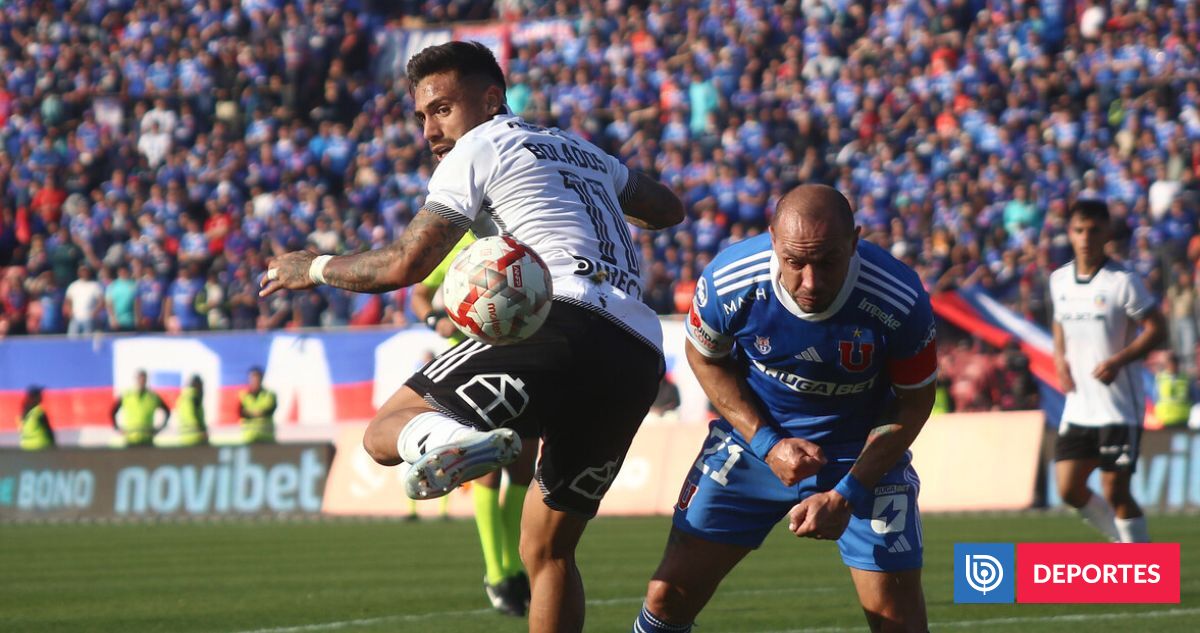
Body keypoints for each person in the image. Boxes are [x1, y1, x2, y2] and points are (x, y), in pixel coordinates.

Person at [259, 41, 683, 633]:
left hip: (558, 318)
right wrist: (599, 187)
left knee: (385, 432)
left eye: (442, 109)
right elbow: (667, 208)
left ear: (490, 100)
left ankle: (455, 441)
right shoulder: (582, 150)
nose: (431, 130)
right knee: (548, 549)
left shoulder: (478, 148)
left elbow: (404, 265)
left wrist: (315, 267)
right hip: (635, 351)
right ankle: (464, 442)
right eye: (422, 115)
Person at [634, 185, 938, 633]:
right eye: (795, 262)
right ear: (773, 239)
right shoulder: (729, 279)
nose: (810, 281)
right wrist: (768, 443)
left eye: (828, 261)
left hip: (861, 456)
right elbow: (704, 357)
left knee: (898, 622)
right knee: (667, 597)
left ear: (854, 241)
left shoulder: (899, 298)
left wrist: (848, 493)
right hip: (752, 446)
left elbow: (914, 401)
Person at [411, 231, 539, 616]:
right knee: (488, 470)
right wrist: (436, 319)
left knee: (523, 467)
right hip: (474, 369)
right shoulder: (454, 239)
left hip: (523, 359)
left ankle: (515, 564)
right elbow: (419, 294)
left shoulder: (519, 230)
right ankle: (496, 573)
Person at [1051, 198, 1166, 544]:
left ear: (1107, 234)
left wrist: (1118, 361)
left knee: (1115, 489)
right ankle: (1124, 543)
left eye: (1093, 230)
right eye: (1079, 230)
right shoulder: (1059, 280)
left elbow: (1158, 328)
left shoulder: (1122, 281)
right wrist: (1059, 359)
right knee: (1069, 489)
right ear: (1070, 233)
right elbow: (1059, 321)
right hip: (1078, 405)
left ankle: (1138, 560)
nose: (1086, 237)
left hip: (1118, 407)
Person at [111, 369, 170, 447]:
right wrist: (117, 428)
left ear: (146, 380)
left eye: (143, 379)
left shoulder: (152, 397)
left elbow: (167, 411)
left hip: (147, 439)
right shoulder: (127, 396)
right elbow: (113, 411)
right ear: (135, 380)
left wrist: (160, 428)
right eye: (139, 379)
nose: (141, 381)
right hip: (130, 439)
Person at [239, 366, 276, 444]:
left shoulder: (269, 395)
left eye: (257, 378)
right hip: (249, 437)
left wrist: (251, 413)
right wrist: (258, 413)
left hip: (266, 438)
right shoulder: (244, 396)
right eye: (253, 378)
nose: (255, 380)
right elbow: (241, 413)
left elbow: (269, 411)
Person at [1154, 354, 1192, 429]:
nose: (1172, 366)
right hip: (1164, 419)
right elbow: (1155, 397)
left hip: (1182, 418)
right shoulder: (1160, 378)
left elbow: (1193, 396)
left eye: (1174, 364)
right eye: (1170, 364)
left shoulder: (1185, 379)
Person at [175, 375, 209, 447]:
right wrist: (201, 433)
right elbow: (191, 417)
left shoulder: (183, 397)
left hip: (185, 437)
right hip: (195, 437)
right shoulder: (193, 398)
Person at [18, 385, 55, 451]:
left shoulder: (22, 413)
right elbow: (48, 431)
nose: (41, 396)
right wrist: (54, 446)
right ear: (35, 397)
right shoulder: (39, 411)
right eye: (39, 395)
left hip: (26, 446)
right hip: (41, 446)